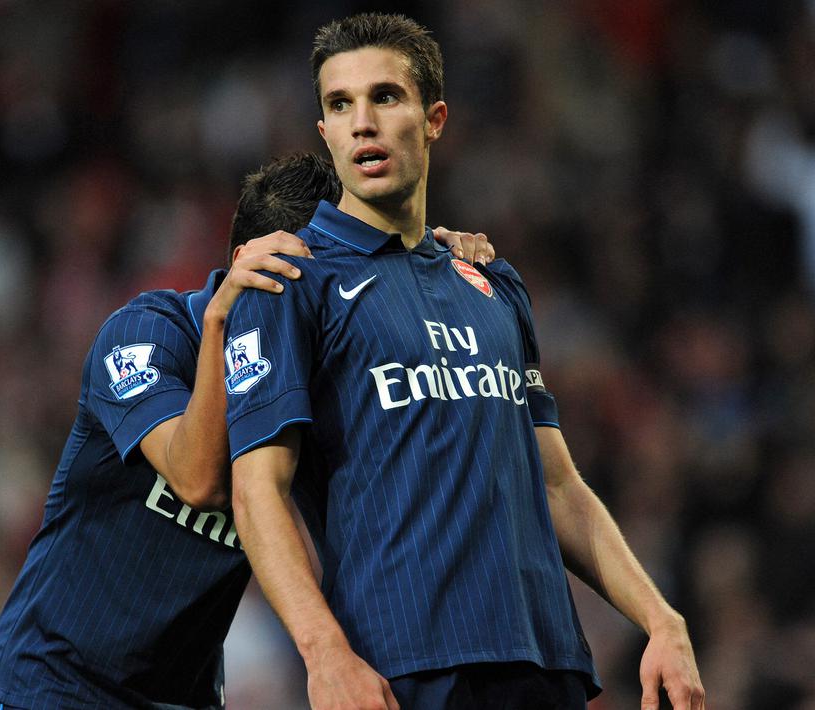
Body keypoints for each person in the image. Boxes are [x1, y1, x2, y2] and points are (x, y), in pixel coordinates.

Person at [224, 14, 704, 710]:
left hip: (543, 660)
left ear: (434, 119)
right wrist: (322, 650)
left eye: (385, 97)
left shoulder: (492, 283)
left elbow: (557, 484)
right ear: (324, 131)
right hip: (401, 667)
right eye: (340, 105)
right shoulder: (290, 278)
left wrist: (660, 619)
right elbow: (256, 491)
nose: (362, 123)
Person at [0, 151, 495, 710]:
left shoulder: (313, 386)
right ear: (253, 266)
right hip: (54, 686)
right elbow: (198, 481)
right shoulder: (145, 337)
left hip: (185, 695)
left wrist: (440, 277)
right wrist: (227, 321)